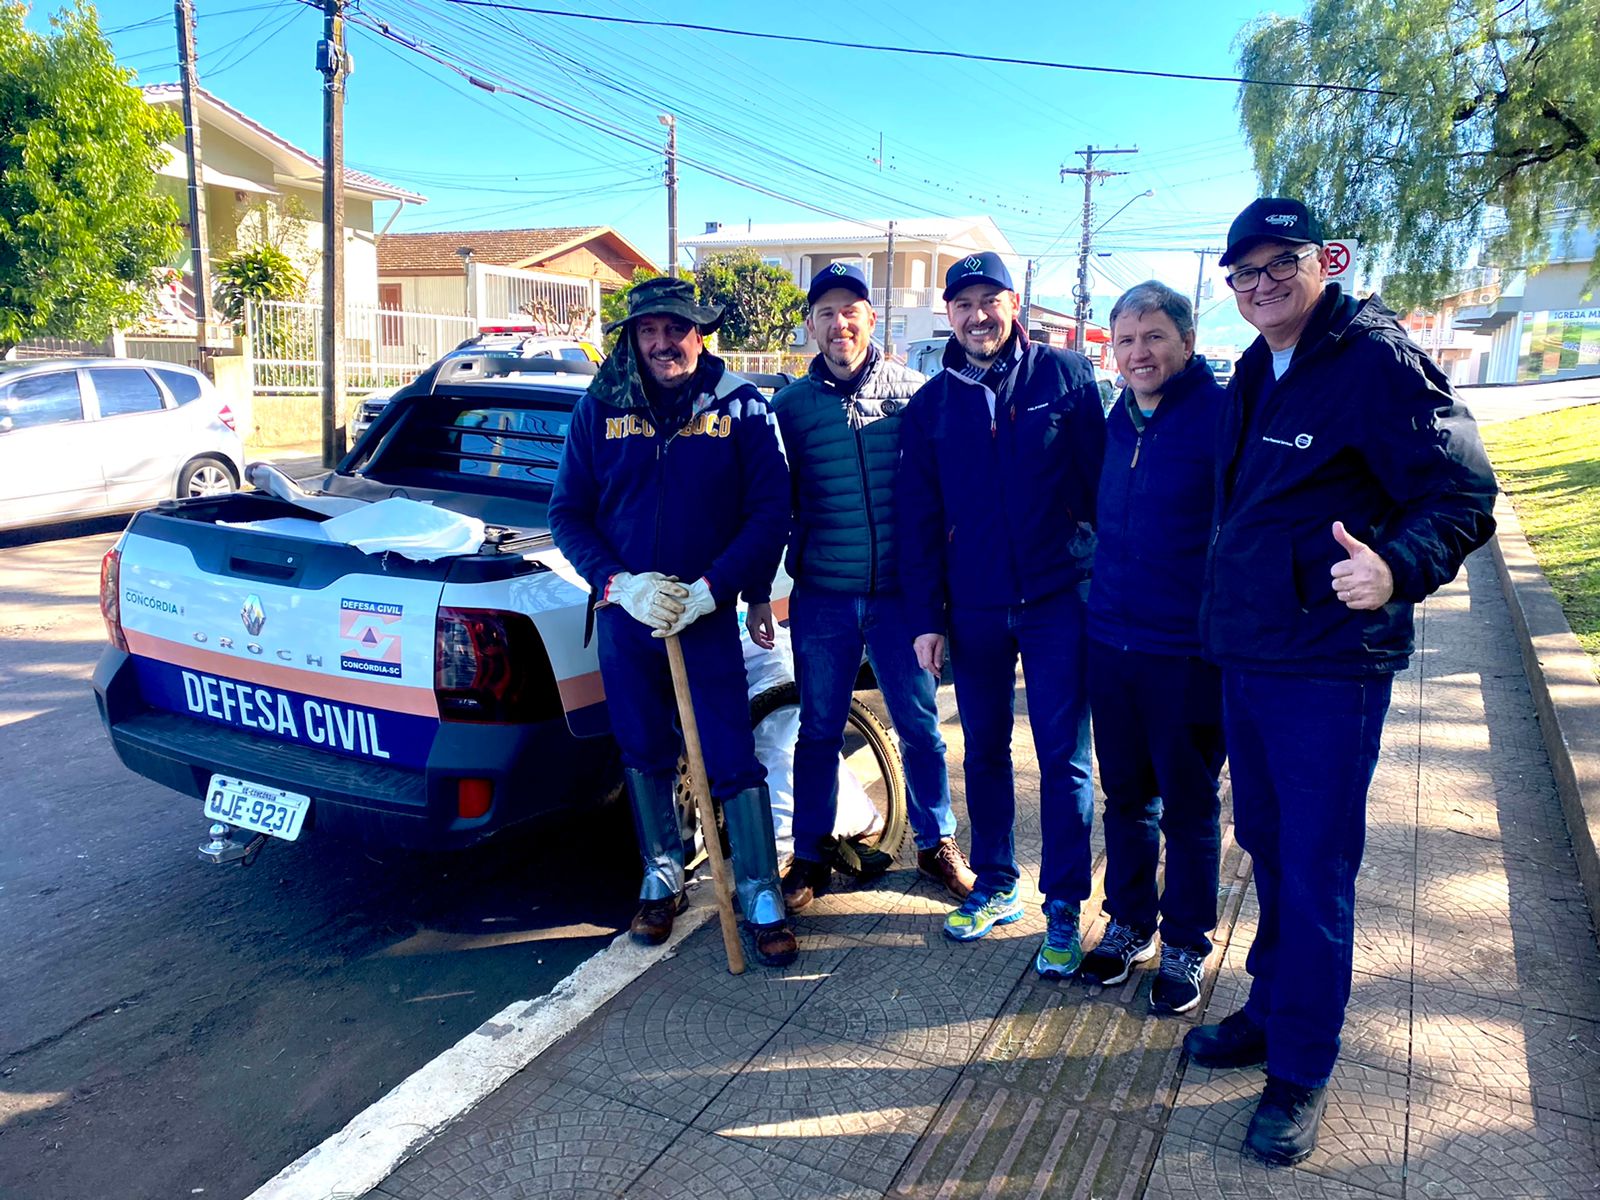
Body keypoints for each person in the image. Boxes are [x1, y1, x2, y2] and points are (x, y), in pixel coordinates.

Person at [1187, 199, 1497, 1164]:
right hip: (1255, 653)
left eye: (1281, 264)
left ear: (1327, 259)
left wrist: (1397, 569)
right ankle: (1273, 1013)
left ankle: (1302, 1070)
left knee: (1316, 870)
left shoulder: (1372, 359)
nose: (1262, 285)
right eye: (1243, 274)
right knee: (1271, 848)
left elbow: (1462, 492)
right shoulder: (1257, 366)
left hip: (1327, 665)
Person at [548, 277, 798, 967]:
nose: (662, 343)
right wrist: (617, 583)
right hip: (629, 620)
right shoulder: (600, 407)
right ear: (633, 337)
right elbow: (567, 514)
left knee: (729, 752)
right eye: (648, 330)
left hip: (705, 616)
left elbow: (770, 510)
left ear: (699, 332)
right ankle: (661, 875)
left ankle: (757, 889)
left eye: (675, 328)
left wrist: (718, 588)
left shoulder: (740, 406)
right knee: (642, 748)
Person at [897, 250, 1107, 976]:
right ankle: (995, 883)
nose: (978, 315)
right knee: (982, 751)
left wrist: (1102, 583)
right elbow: (918, 519)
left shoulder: (1067, 377)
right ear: (947, 314)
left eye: (991, 300)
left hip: (1058, 599)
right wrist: (926, 616)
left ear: (1014, 303)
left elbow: (1102, 487)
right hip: (975, 606)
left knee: (1065, 760)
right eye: (964, 304)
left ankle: (1063, 906)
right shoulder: (930, 406)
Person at [765, 262, 977, 912]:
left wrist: (940, 599)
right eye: (825, 312)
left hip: (899, 599)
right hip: (823, 597)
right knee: (818, 729)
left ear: (871, 318)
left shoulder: (917, 393)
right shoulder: (791, 408)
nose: (839, 323)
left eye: (850, 309)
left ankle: (936, 841)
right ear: (811, 325)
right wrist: (755, 592)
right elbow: (772, 502)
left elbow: (946, 498)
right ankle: (809, 854)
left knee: (919, 727)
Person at [1080, 281, 1226, 1016]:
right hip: (1111, 641)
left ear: (1187, 342)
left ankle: (1187, 942)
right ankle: (1129, 922)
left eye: (1154, 337)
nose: (1139, 352)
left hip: (1187, 654)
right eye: (1126, 340)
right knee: (1126, 798)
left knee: (1191, 807)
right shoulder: (1115, 420)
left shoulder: (1222, 417)